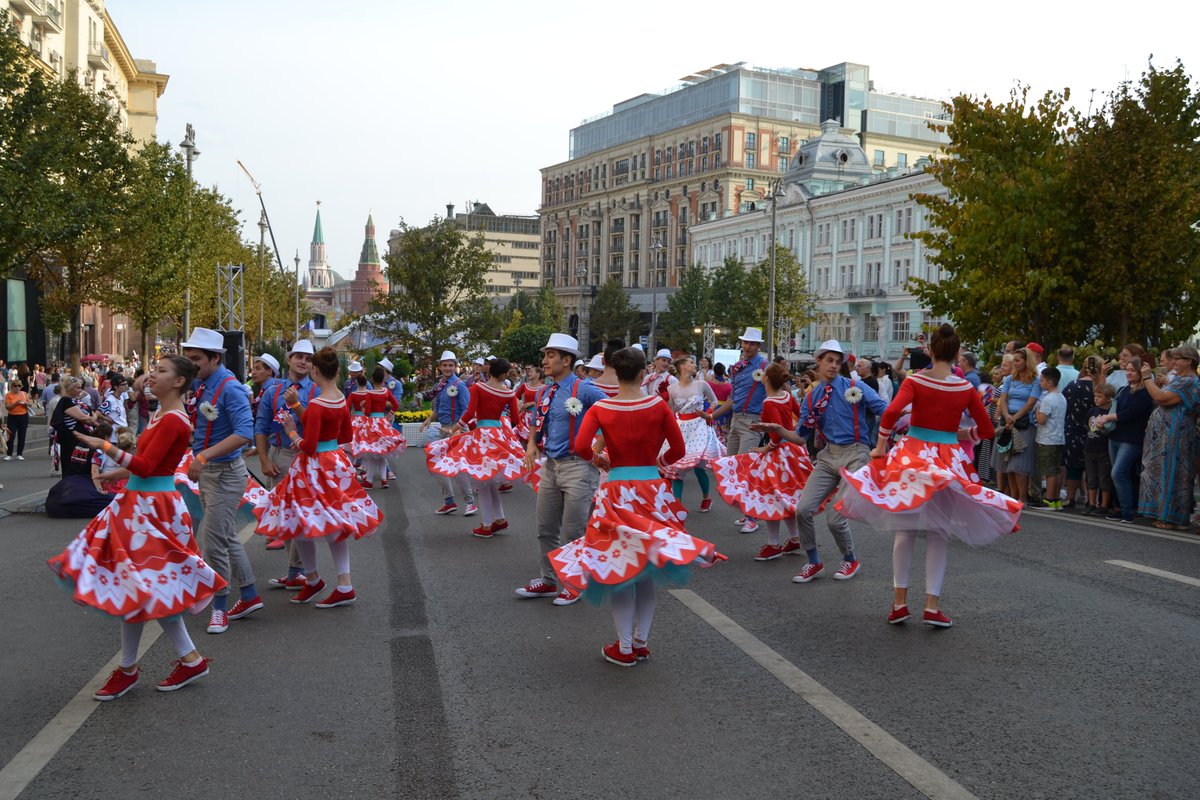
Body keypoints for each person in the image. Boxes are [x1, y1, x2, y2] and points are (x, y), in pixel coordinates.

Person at [48, 355, 224, 699]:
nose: (151, 375)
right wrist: (117, 472)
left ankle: (143, 667)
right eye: (153, 370)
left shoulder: (174, 420)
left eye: (160, 371)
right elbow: (151, 466)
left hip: (151, 511)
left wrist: (106, 447)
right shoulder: (161, 414)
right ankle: (175, 661)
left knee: (143, 588)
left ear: (177, 382)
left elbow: (145, 466)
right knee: (140, 589)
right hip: (140, 506)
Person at [546, 346, 722, 666]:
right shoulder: (657, 405)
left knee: (622, 568)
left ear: (615, 371)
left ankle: (625, 646)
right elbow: (678, 449)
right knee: (643, 572)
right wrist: (659, 462)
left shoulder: (602, 407)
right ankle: (640, 642)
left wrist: (601, 460)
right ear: (644, 373)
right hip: (652, 490)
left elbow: (581, 446)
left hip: (616, 490)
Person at [836, 324, 1021, 628]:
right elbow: (987, 429)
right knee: (939, 533)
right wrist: (959, 433)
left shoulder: (916, 381)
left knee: (905, 531)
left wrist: (881, 446)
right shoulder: (964, 389)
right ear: (957, 353)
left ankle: (899, 604)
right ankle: (932, 606)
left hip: (913, 456)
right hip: (949, 461)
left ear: (930, 351)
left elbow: (892, 413)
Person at [252, 346, 382, 607]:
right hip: (335, 463)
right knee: (336, 524)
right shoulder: (340, 401)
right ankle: (342, 584)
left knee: (300, 522)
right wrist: (302, 412)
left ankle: (313, 580)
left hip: (312, 467)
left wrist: (291, 432)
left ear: (315, 371)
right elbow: (345, 436)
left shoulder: (318, 403)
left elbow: (309, 445)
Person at [180, 327, 263, 635]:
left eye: (196, 359)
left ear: (215, 358)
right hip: (211, 472)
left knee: (212, 541)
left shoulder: (230, 388)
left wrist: (201, 457)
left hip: (225, 473)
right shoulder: (203, 385)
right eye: (189, 359)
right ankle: (250, 594)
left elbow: (244, 433)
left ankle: (220, 606)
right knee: (225, 537)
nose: (192, 364)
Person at [515, 333, 607, 606]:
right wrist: (531, 444)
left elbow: (611, 415)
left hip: (579, 466)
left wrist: (596, 449)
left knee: (574, 529)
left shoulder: (585, 389)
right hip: (551, 466)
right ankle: (547, 580)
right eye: (545, 355)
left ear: (567, 361)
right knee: (545, 527)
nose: (544, 361)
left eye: (550, 355)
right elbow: (535, 423)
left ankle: (574, 584)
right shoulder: (545, 390)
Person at [788, 339, 887, 583]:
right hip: (828, 456)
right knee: (803, 509)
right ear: (818, 362)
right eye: (829, 360)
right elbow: (800, 438)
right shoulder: (811, 399)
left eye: (837, 361)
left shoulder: (855, 386)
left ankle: (850, 559)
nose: (833, 365)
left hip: (856, 453)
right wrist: (776, 431)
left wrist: (907, 419)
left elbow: (884, 408)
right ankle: (813, 562)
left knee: (835, 516)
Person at [717, 362, 812, 560]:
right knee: (785, 498)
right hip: (794, 450)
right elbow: (800, 412)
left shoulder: (769, 402)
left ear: (766, 379)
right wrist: (794, 434)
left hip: (779, 453)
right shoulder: (786, 395)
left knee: (771, 498)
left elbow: (776, 433)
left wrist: (765, 447)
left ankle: (774, 544)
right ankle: (794, 538)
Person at [428, 358, 523, 538]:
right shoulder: (509, 393)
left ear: (490, 370)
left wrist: (453, 429)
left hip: (482, 437)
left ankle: (487, 525)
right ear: (504, 374)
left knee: (483, 482)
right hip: (499, 435)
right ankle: (500, 519)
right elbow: (516, 421)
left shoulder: (478, 388)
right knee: (489, 481)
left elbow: (469, 414)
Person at [254, 343, 316, 570]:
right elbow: (261, 426)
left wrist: (296, 405)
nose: (303, 362)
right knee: (284, 515)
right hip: (279, 457)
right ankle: (296, 570)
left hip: (306, 459)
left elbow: (320, 426)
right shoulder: (273, 392)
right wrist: (263, 459)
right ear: (288, 360)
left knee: (301, 515)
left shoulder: (316, 391)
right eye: (299, 357)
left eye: (308, 359)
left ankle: (300, 570)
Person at [709, 327, 769, 533]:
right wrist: (712, 416)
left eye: (752, 343)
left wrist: (770, 420)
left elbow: (780, 391)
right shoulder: (738, 367)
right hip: (737, 420)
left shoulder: (765, 367)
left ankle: (752, 516)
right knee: (731, 468)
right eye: (745, 342)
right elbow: (732, 400)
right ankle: (748, 512)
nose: (747, 346)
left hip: (753, 421)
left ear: (758, 346)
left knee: (746, 469)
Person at [1136, 347, 1200, 529]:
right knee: (1165, 472)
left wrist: (1147, 378)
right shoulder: (1181, 379)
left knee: (1172, 473)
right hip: (1165, 435)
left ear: (1189, 361)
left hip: (1175, 434)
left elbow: (1161, 398)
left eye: (1178, 359)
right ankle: (1166, 515)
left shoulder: (1188, 381)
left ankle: (1171, 517)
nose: (1174, 362)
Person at [1094, 357, 1154, 523]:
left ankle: (1127, 512)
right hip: (1115, 437)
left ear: (1141, 372)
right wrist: (1103, 419)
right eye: (1127, 370)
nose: (1128, 373)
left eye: (1132, 370)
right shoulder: (1122, 390)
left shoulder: (1145, 392)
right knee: (1120, 474)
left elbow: (1132, 412)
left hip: (1132, 439)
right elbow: (1111, 404)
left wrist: (1108, 417)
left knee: (1118, 472)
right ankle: (1121, 509)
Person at [420, 351, 477, 516]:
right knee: (436, 464)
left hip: (457, 429)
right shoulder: (441, 385)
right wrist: (429, 419)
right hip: (445, 428)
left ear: (455, 366)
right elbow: (439, 408)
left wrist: (457, 430)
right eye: (444, 365)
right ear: (439, 367)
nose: (447, 368)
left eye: (450, 365)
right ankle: (449, 501)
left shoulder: (459, 385)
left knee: (457, 467)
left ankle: (470, 502)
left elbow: (468, 410)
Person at [664, 355, 723, 511]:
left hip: (699, 426)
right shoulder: (672, 389)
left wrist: (708, 413)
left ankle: (706, 497)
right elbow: (671, 411)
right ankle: (677, 505)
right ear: (683, 367)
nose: (694, 364)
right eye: (690, 362)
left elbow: (714, 401)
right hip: (681, 427)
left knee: (698, 465)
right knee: (677, 468)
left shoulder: (701, 384)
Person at [995, 348, 1042, 503]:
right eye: (1013, 360)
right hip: (1008, 420)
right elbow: (1003, 398)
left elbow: (1031, 403)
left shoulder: (1035, 380)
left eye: (1017, 360)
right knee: (1007, 461)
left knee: (1020, 463)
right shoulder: (1009, 379)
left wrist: (1014, 417)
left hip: (1023, 422)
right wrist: (1007, 415)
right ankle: (1013, 496)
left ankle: (1022, 496)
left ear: (1026, 361)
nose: (1014, 363)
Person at [1061, 356, 1102, 510]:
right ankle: (1091, 500)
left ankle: (1070, 498)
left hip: (1073, 427)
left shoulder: (1073, 385)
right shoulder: (1099, 388)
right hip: (1094, 429)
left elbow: (1063, 402)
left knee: (1073, 466)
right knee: (1092, 466)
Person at [356, 366, 406, 489]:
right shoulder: (386, 392)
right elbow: (395, 404)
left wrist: (365, 410)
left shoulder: (370, 394)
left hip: (372, 423)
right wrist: (389, 415)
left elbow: (367, 412)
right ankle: (384, 480)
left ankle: (369, 481)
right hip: (382, 422)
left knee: (372, 455)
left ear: (372, 379)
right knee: (382, 454)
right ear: (383, 379)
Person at [1035, 367, 1067, 510]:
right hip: (1059, 437)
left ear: (1049, 382)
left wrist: (1036, 410)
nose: (1040, 383)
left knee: (1049, 471)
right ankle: (1056, 499)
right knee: (1057, 469)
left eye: (1042, 380)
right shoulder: (1061, 397)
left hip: (1047, 439)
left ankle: (1049, 499)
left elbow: (1041, 419)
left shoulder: (1047, 399)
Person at [1082, 384, 1116, 516]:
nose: (1096, 399)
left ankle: (1103, 505)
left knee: (1104, 478)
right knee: (1091, 478)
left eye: (1100, 396)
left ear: (1108, 399)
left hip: (1103, 449)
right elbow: (1086, 426)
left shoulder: (1110, 414)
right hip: (1089, 448)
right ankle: (1091, 503)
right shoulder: (1092, 411)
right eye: (1095, 396)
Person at [4, 379, 31, 460]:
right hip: (12, 417)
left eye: (19, 386)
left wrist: (26, 404)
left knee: (22, 435)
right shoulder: (8, 395)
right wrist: (16, 403)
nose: (17, 388)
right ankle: (9, 454)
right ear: (12, 386)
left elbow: (30, 404)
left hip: (23, 416)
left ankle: (19, 454)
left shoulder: (24, 394)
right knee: (11, 436)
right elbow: (7, 407)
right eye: (15, 386)